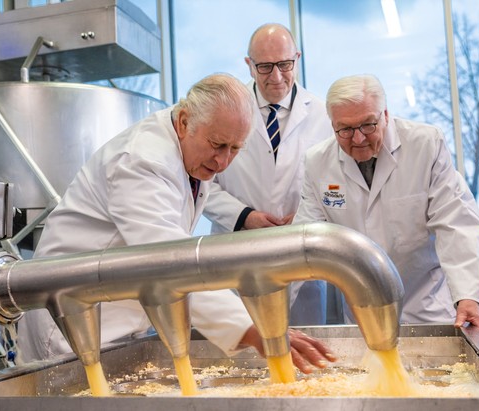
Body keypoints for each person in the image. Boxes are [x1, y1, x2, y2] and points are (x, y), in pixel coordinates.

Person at [17, 73, 335, 373]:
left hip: (114, 316)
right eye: (217, 145)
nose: (223, 161)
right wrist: (251, 329)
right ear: (184, 122)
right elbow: (166, 260)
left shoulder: (189, 153)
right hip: (72, 319)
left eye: (235, 149)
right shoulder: (142, 161)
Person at [293, 74, 479, 331]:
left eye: (368, 125)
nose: (358, 139)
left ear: (385, 114)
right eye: (345, 129)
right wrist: (266, 317)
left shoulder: (425, 144)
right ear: (332, 125)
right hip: (363, 312)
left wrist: (468, 296)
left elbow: (456, 223)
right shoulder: (317, 162)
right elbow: (304, 243)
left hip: (425, 307)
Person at [203, 24, 332, 325]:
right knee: (243, 356)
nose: (276, 77)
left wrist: (305, 217)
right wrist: (244, 215)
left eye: (285, 65)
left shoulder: (323, 116)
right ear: (249, 65)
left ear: (297, 59)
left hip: (302, 253)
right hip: (238, 252)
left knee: (309, 356)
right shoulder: (225, 112)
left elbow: (333, 185)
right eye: (264, 67)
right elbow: (202, 179)